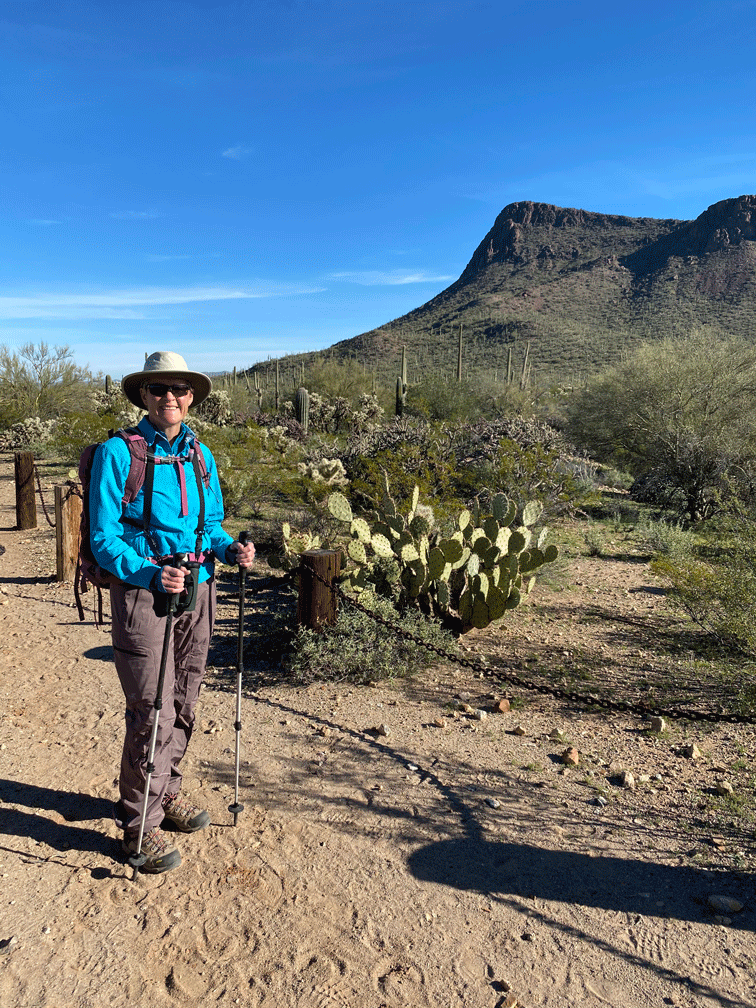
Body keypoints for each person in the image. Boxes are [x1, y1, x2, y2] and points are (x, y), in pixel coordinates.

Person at [88, 351, 255, 873]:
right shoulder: (120, 454)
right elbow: (102, 537)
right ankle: (138, 827)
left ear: (191, 397)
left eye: (179, 390)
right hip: (145, 593)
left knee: (184, 700)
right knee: (150, 709)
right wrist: (148, 572)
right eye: (159, 389)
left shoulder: (202, 455)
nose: (169, 398)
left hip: (197, 590)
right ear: (143, 395)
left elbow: (213, 524)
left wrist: (230, 550)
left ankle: (165, 795)